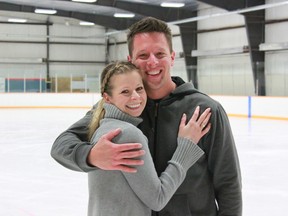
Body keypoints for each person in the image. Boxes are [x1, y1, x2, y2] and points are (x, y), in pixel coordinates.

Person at [51, 17, 242, 216]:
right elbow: (61, 145)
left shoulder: (204, 110)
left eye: (160, 53)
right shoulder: (118, 108)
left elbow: (228, 183)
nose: (152, 62)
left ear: (172, 57)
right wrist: (90, 156)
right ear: (130, 60)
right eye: (143, 55)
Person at [86, 61, 211, 215]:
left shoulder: (102, 129)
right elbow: (157, 199)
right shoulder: (127, 134)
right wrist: (187, 147)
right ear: (107, 98)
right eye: (125, 92)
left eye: (139, 88)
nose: (136, 97)